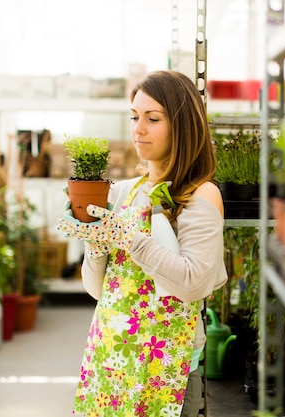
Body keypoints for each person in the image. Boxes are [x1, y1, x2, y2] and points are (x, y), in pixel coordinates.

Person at [57, 70, 228, 417]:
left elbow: (192, 283)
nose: (138, 129)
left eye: (153, 118)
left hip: (165, 372)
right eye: (135, 117)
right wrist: (97, 243)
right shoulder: (121, 193)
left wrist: (129, 238)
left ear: (182, 125)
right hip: (110, 363)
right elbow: (97, 290)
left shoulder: (200, 194)